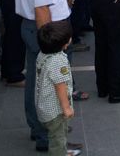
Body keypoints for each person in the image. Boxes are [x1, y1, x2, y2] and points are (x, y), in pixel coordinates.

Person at [14, 0, 75, 152]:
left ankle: (42, 130)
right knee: (45, 84)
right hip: (46, 30)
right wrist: (50, 44)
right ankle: (47, 136)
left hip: (39, 27)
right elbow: (42, 9)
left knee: (37, 81)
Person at [35, 22, 81, 156]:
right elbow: (60, 86)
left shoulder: (42, 54)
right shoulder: (58, 61)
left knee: (56, 136)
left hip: (44, 107)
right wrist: (66, 108)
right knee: (58, 140)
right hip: (55, 112)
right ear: (64, 44)